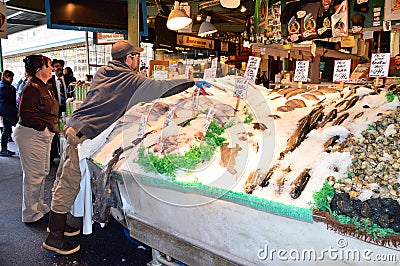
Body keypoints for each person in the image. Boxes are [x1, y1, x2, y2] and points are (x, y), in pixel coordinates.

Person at [43, 40, 205, 255]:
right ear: (128, 58)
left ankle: (59, 226)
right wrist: (194, 82)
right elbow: (162, 88)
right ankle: (54, 238)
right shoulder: (129, 79)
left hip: (74, 127)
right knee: (68, 184)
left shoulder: (103, 71)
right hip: (85, 136)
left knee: (62, 178)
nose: (138, 59)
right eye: (135, 56)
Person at [13, 55, 59, 224]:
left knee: (40, 173)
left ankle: (38, 206)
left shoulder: (41, 86)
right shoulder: (32, 87)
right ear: (39, 70)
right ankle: (31, 213)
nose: (52, 69)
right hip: (32, 135)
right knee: (34, 176)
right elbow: (25, 114)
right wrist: (43, 127)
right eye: (49, 66)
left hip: (38, 135)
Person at [47, 59, 76, 164]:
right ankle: (54, 155)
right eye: (56, 66)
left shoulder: (70, 79)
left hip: (69, 110)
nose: (58, 68)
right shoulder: (49, 82)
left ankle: (68, 155)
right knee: (55, 134)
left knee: (68, 132)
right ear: (53, 69)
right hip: (56, 111)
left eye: (59, 66)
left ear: (62, 67)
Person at [0, 70, 18, 156]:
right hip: (6, 112)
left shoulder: (6, 86)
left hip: (7, 112)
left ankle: (4, 148)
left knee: (6, 130)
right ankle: (3, 149)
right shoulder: (4, 87)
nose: (12, 79)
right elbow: (8, 101)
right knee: (6, 130)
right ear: (5, 77)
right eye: (10, 77)